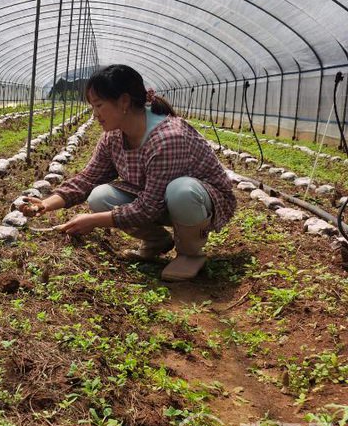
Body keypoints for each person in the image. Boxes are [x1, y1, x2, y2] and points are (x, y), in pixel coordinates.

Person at [20, 64, 236, 281]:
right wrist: (47, 203)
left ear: (124, 101)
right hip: (157, 198)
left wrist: (93, 221)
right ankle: (157, 241)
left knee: (181, 190)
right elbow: (89, 178)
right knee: (100, 196)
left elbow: (149, 207)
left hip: (198, 201)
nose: (95, 114)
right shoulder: (114, 136)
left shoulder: (168, 138)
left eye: (99, 105)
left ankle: (190, 254)